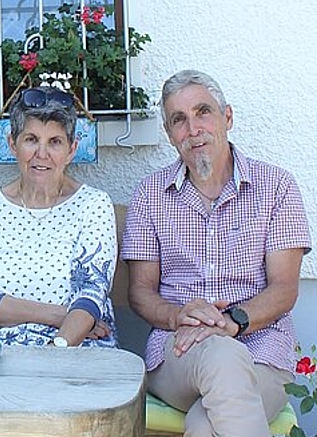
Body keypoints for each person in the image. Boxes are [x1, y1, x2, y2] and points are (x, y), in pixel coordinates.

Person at [122, 69, 311, 436]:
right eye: (179, 120)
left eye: (203, 112)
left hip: (261, 350)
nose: (193, 129)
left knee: (204, 424)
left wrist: (233, 321)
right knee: (221, 355)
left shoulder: (277, 187)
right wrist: (179, 315)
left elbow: (285, 288)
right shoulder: (150, 194)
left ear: (227, 117)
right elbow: (140, 292)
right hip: (179, 350)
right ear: (169, 134)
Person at [0, 86, 117, 348]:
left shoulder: (93, 205)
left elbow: (91, 294)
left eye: (54, 142)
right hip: (5, 353)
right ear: (12, 144)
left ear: (72, 149)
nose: (41, 154)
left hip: (77, 349)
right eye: (31, 139)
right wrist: (57, 315)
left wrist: (56, 348)